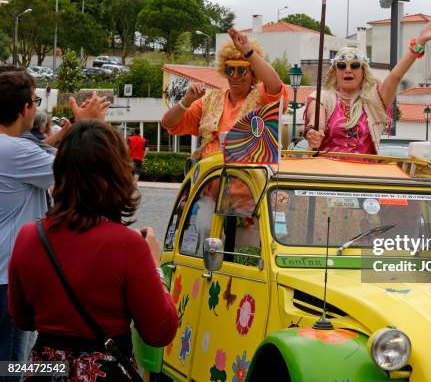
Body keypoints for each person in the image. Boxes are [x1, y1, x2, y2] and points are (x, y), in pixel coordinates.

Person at [9, 120, 178, 381]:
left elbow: (22, 318)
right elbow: (160, 332)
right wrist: (156, 266)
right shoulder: (129, 245)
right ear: (117, 175)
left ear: (61, 171)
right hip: (105, 370)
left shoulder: (30, 236)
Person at [0, 64, 110, 376]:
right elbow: (77, 165)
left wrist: (73, 127)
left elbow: (41, 153)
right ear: (25, 109)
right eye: (35, 102)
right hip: (6, 279)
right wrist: (91, 128)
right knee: (11, 366)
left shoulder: (11, 149)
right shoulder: (16, 152)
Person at [304, 22, 431, 154]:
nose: (347, 70)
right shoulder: (321, 97)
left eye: (355, 65)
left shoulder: (374, 101)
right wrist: (313, 132)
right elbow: (316, 121)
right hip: (326, 178)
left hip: (366, 179)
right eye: (342, 66)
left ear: (363, 72)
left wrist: (419, 43)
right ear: (335, 72)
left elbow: (395, 77)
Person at [161, 28, 288, 159]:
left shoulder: (262, 98)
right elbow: (168, 123)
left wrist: (248, 53)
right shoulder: (209, 100)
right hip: (210, 170)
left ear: (253, 73)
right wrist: (185, 101)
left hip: (250, 170)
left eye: (242, 71)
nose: (235, 76)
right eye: (230, 70)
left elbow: (275, 86)